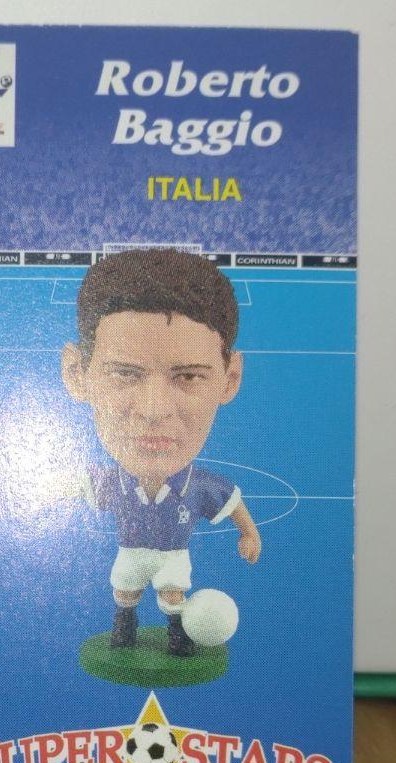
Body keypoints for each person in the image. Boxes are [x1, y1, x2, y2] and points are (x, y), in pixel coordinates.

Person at [61, 248, 262, 656]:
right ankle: (124, 626)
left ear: (230, 379)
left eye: (188, 376)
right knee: (125, 589)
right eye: (124, 373)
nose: (154, 411)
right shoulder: (109, 482)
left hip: (172, 557)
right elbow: (64, 492)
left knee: (172, 593)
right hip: (131, 555)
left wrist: (250, 532)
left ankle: (176, 632)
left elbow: (232, 504)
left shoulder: (200, 486)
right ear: (76, 374)